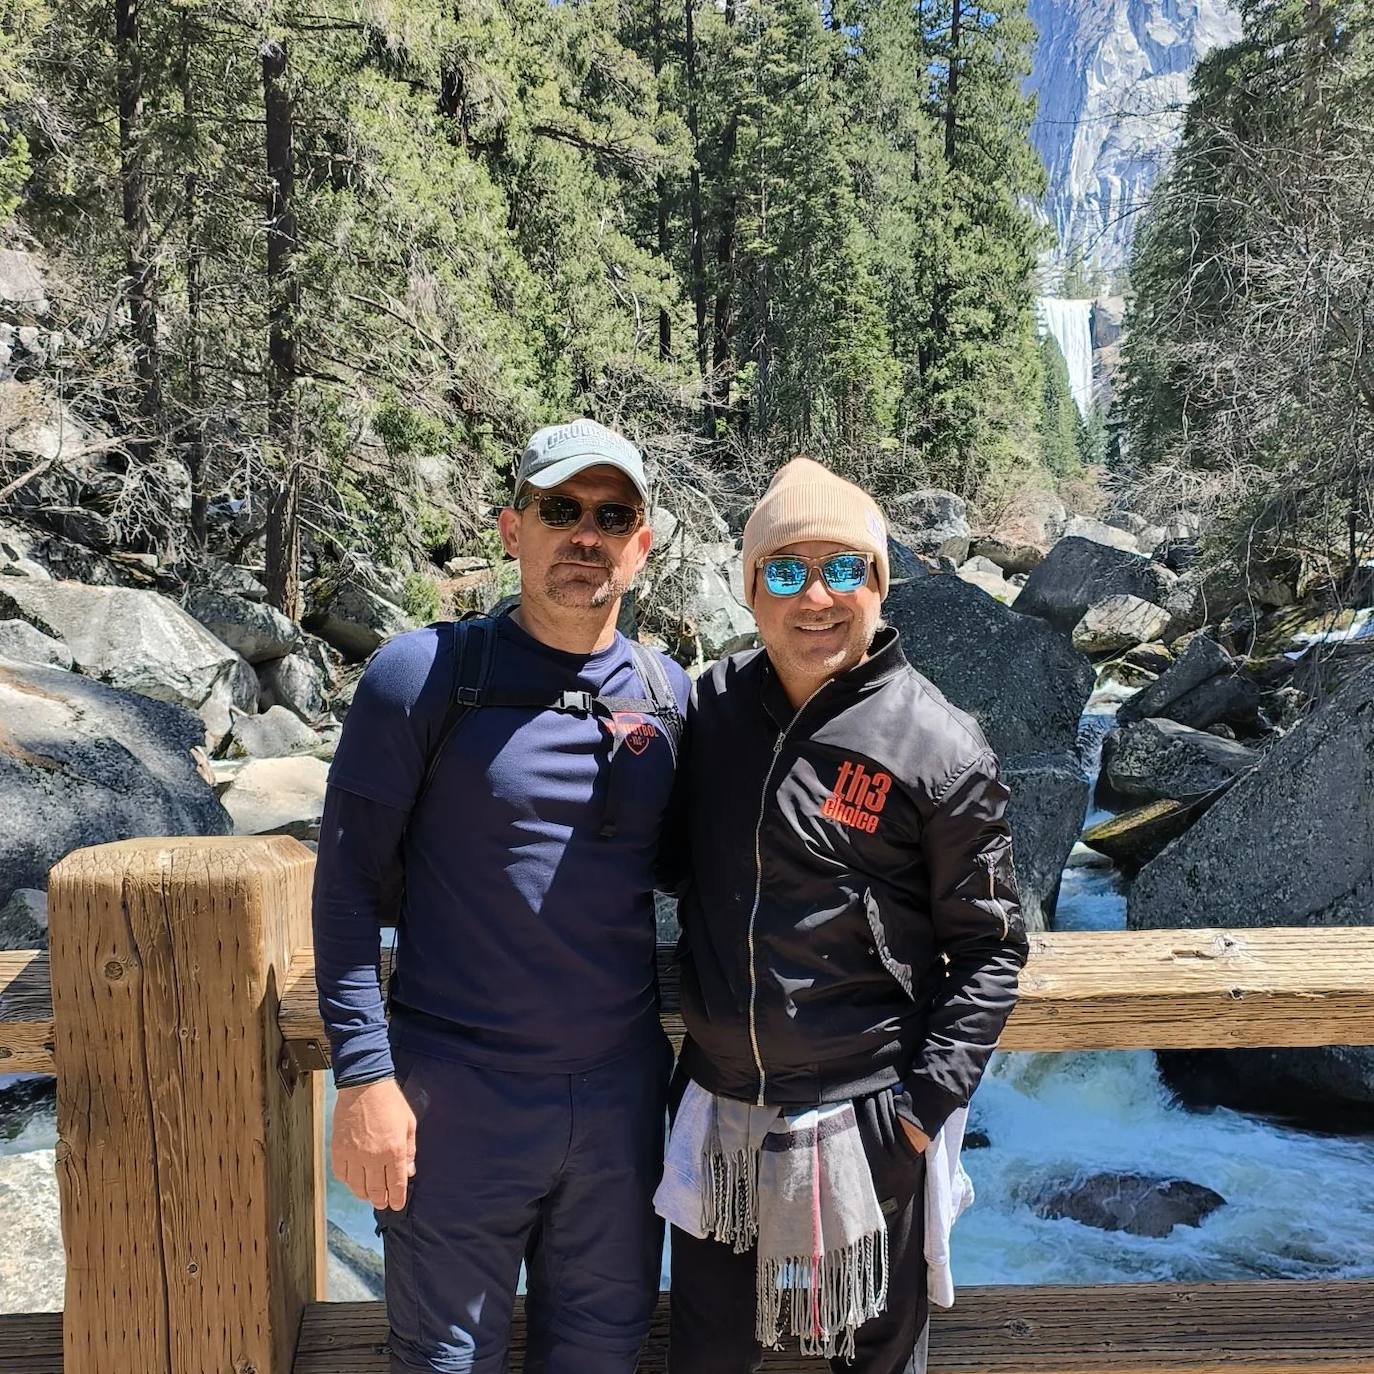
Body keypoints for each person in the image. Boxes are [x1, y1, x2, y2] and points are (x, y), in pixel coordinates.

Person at [312, 418, 689, 1374]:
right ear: (510, 528)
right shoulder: (424, 678)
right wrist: (363, 1077)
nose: (585, 534)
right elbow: (348, 885)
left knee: (603, 1359)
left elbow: (714, 867)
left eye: (612, 515)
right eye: (560, 509)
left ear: (641, 546)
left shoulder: (667, 692)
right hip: (454, 1099)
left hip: (619, 1103)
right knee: (442, 1362)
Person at [658, 457, 1028, 1374]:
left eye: (844, 568)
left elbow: (991, 947)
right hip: (718, 1114)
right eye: (786, 570)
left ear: (879, 583)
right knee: (705, 1356)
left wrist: (920, 1113)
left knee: (873, 1361)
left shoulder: (939, 745)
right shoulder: (707, 709)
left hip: (865, 1120)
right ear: (750, 591)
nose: (816, 596)